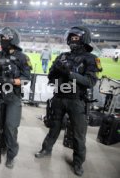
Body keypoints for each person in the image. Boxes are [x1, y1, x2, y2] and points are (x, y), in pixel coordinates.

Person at [34, 26, 102, 176]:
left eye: (76, 37)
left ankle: (78, 162)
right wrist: (57, 74)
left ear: (84, 39)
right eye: (71, 37)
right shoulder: (62, 56)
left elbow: (90, 81)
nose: (72, 40)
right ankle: (46, 149)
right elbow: (51, 77)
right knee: (54, 127)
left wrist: (70, 74)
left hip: (77, 101)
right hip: (59, 97)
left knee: (78, 134)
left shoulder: (91, 58)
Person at [0, 27, 32, 168]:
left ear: (13, 40)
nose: (3, 41)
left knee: (10, 127)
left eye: (6, 38)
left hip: (13, 98)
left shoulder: (22, 57)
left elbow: (26, 78)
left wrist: (11, 81)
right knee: (0, 126)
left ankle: (11, 154)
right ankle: (2, 146)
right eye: (2, 38)